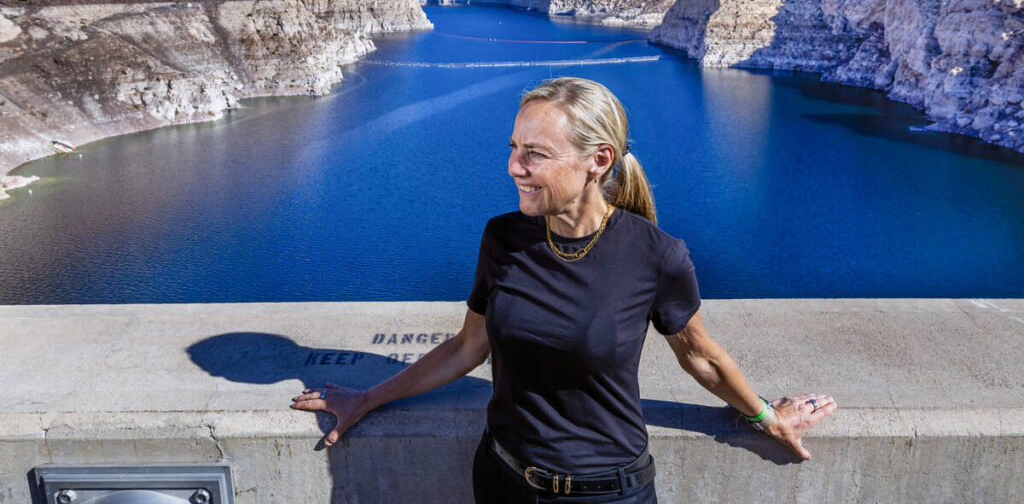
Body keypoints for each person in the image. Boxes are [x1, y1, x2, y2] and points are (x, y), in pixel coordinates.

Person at [291, 77, 836, 502]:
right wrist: (368, 398)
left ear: (598, 160)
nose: (513, 167)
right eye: (513, 147)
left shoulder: (656, 255)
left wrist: (768, 417)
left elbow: (702, 358)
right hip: (502, 479)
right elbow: (467, 348)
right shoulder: (503, 238)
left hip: (607, 493)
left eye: (535, 154)